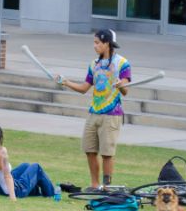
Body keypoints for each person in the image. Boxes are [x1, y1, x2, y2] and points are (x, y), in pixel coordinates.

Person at [53, 30, 130, 191]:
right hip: (94, 112)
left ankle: (107, 188)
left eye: (97, 43)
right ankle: (95, 185)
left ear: (107, 43)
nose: (94, 46)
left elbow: (126, 90)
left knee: (107, 153)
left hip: (111, 114)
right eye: (94, 42)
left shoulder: (122, 63)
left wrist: (120, 85)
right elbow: (84, 88)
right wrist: (66, 82)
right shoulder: (93, 64)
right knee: (89, 150)